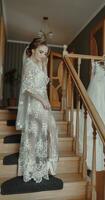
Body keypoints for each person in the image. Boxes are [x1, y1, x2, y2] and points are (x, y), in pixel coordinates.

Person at [16, 37, 58, 183]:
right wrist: (42, 100)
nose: (43, 55)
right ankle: (40, 165)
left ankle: (35, 166)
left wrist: (44, 65)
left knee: (39, 132)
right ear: (32, 50)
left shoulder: (41, 63)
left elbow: (44, 82)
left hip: (43, 102)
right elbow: (28, 88)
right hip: (35, 103)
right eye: (41, 52)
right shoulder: (28, 64)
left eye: (45, 53)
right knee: (45, 129)